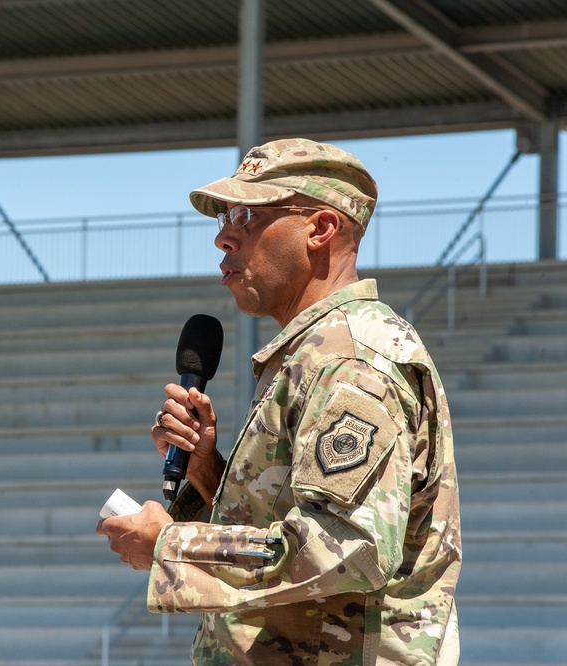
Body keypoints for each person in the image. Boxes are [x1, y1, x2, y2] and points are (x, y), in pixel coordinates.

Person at [96, 138, 461, 664]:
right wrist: (207, 471)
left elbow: (345, 548)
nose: (224, 236)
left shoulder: (351, 360)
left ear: (320, 229)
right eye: (225, 216)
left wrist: (171, 545)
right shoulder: (318, 352)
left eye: (247, 215)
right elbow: (303, 522)